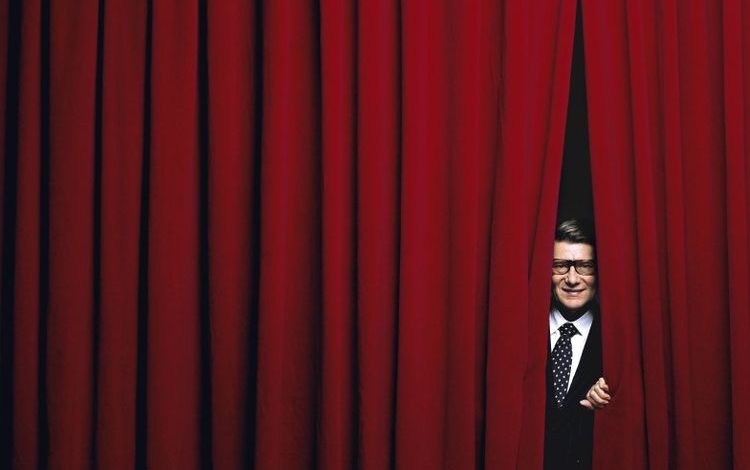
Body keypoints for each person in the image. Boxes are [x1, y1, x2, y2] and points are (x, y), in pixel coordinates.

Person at [544, 219, 610, 470]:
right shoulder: (521, 333)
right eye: (560, 266)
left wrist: (612, 398)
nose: (572, 279)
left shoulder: (617, 341)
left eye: (584, 267)